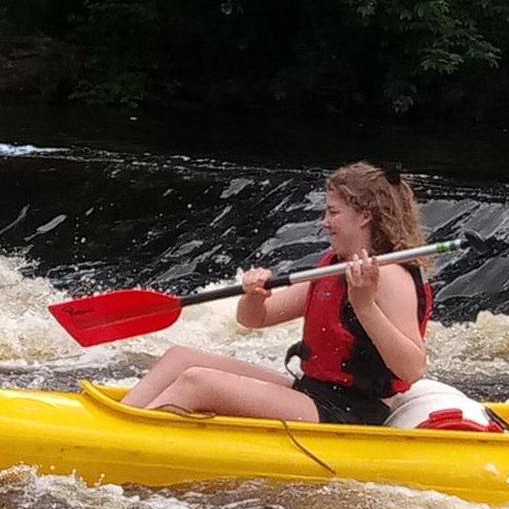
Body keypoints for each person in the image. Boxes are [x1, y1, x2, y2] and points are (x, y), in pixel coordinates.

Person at [120, 162, 434, 425]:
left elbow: (412, 368)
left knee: (198, 382)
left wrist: (364, 307)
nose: (324, 223)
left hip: (352, 412)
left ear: (364, 215)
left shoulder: (391, 277)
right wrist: (254, 296)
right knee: (180, 359)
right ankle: (121, 424)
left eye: (333, 213)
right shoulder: (335, 267)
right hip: (313, 392)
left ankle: (127, 444)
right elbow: (254, 320)